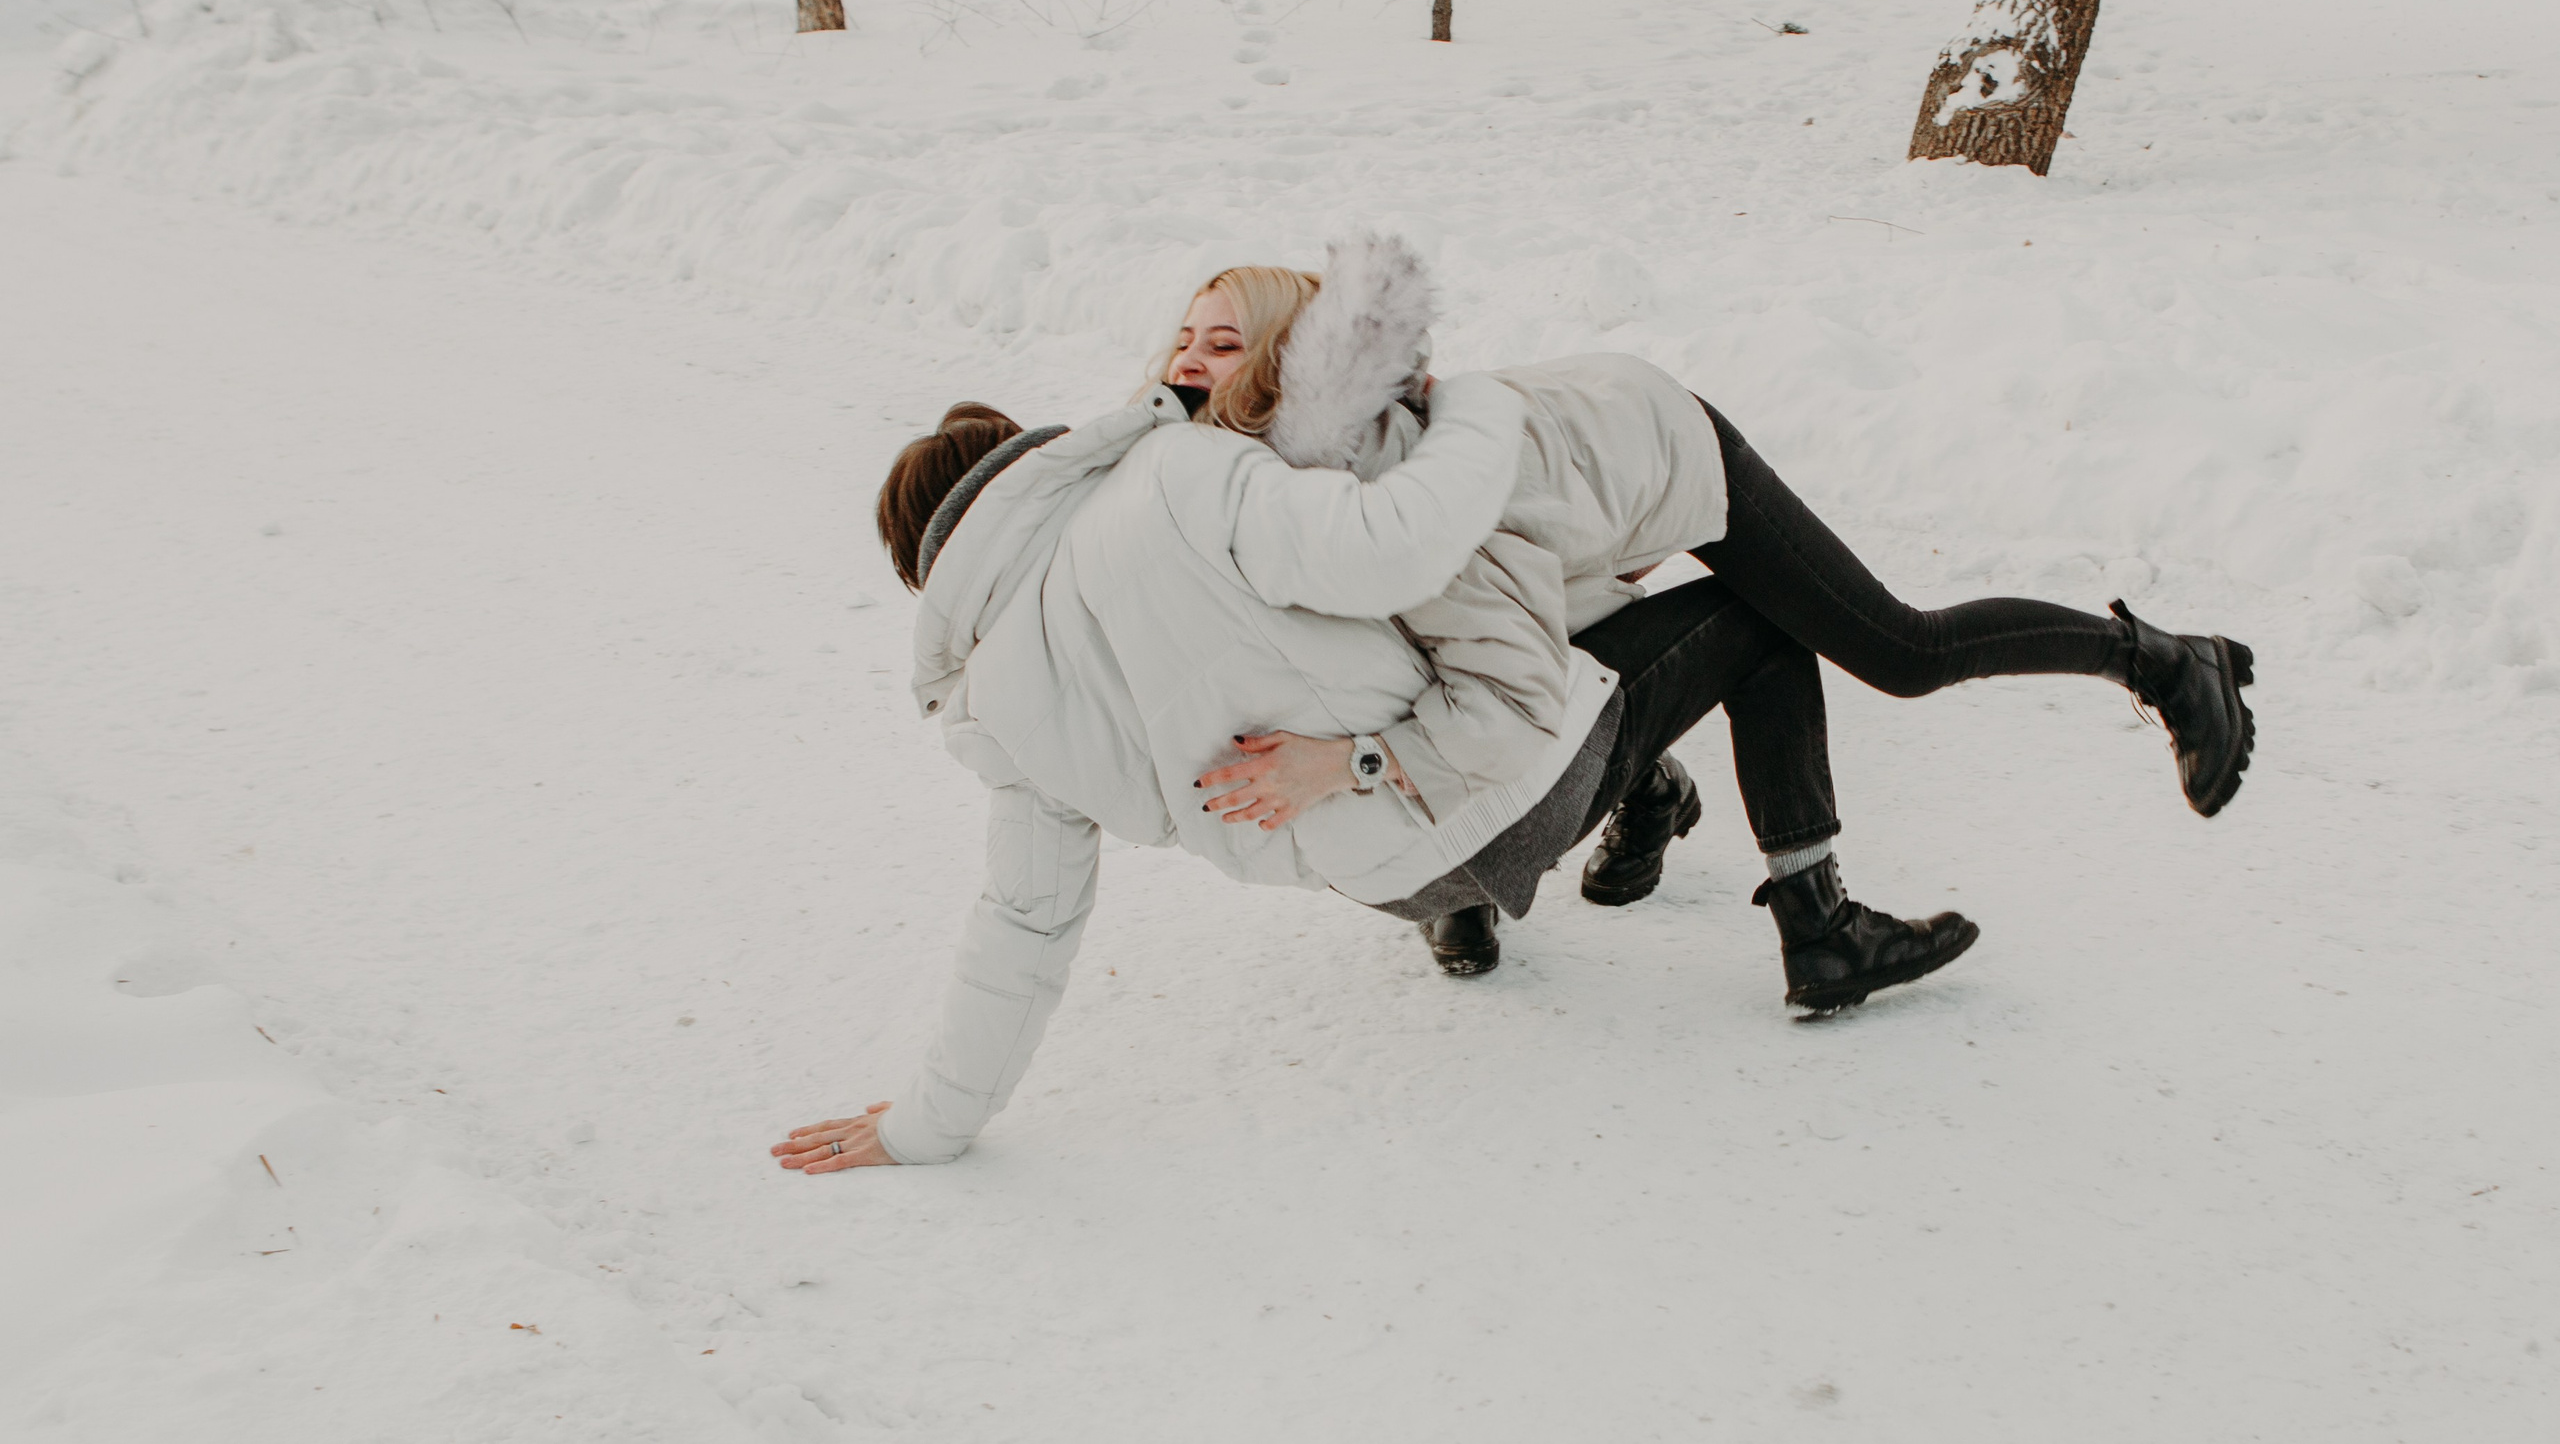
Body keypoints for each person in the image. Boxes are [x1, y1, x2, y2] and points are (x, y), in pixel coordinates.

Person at [769, 237, 2252, 1175]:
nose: (1189, 356)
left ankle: (2155, 661)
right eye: (1181, 334)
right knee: (1580, 693)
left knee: (1890, 651)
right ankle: (1695, 844)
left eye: (1229, 338)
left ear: (1289, 358)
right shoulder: (1233, 485)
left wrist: (1362, 752)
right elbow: (1432, 672)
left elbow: (1491, 669)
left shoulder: (1372, 467)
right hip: (1549, 585)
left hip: (1656, 462)